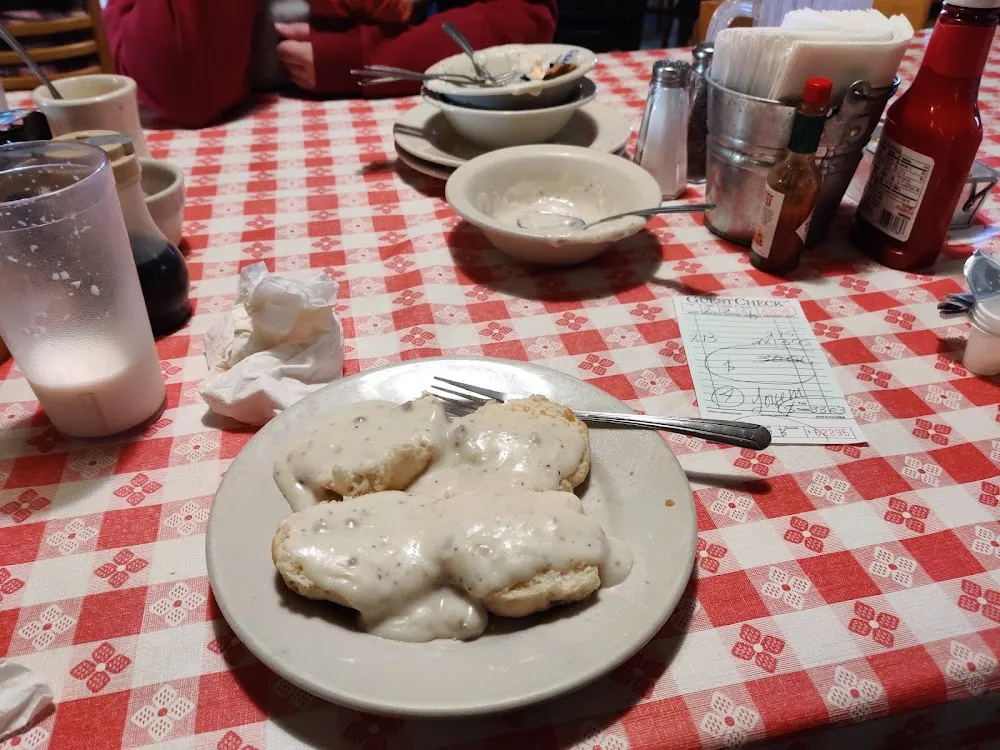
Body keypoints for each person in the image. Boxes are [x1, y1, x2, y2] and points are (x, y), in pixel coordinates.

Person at [101, 0, 558, 129]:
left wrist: (365, 57)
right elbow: (183, 85)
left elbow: (526, 16)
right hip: (225, 152)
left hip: (421, 114)